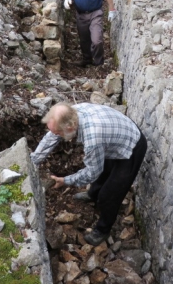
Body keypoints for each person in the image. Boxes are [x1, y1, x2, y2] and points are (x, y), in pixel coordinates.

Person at [30, 102, 147, 246]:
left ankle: (103, 230)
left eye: (59, 133)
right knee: (103, 171)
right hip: (115, 136)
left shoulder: (93, 139)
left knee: (109, 195)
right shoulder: (71, 112)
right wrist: (34, 160)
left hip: (132, 146)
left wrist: (65, 180)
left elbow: (92, 173)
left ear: (70, 128)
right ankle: (93, 195)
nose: (56, 135)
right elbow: (51, 137)